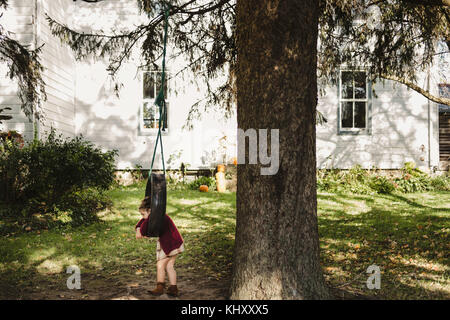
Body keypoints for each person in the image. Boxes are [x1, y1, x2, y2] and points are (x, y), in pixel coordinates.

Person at [135, 196, 185, 297]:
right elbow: (142, 224)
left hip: (171, 244)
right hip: (173, 242)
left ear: (150, 211)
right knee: (169, 266)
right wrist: (138, 228)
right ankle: (173, 288)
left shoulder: (159, 218)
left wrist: (139, 230)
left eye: (143, 214)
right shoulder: (158, 216)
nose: (143, 217)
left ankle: (160, 288)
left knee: (160, 265)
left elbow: (144, 229)